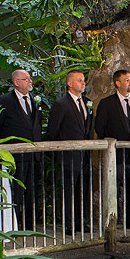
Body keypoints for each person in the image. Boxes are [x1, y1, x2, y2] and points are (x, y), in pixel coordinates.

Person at [93, 68, 130, 230]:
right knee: (114, 187)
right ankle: (113, 219)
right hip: (116, 153)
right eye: (127, 80)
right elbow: (100, 127)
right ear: (118, 83)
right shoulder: (107, 103)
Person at [0, 69, 43, 231]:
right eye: (26, 79)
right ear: (16, 82)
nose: (30, 81)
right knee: (16, 192)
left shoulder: (35, 100)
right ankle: (14, 225)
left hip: (33, 155)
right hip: (14, 155)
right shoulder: (4, 101)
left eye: (30, 79)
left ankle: (29, 224)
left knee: (31, 191)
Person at [46, 70, 92, 233]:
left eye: (84, 80)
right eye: (79, 80)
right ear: (70, 83)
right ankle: (68, 223)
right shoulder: (61, 104)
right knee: (68, 190)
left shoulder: (87, 102)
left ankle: (80, 221)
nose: (83, 83)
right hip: (68, 155)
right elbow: (53, 130)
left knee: (83, 189)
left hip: (84, 155)